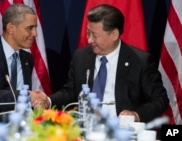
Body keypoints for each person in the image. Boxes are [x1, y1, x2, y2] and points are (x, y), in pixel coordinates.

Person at [31, 4, 169, 123]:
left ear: (114, 34)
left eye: (95, 35)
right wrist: (48, 101)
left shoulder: (140, 61)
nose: (90, 40)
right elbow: (70, 92)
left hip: (121, 131)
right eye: (88, 33)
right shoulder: (82, 56)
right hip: (84, 128)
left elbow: (160, 99)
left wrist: (136, 114)